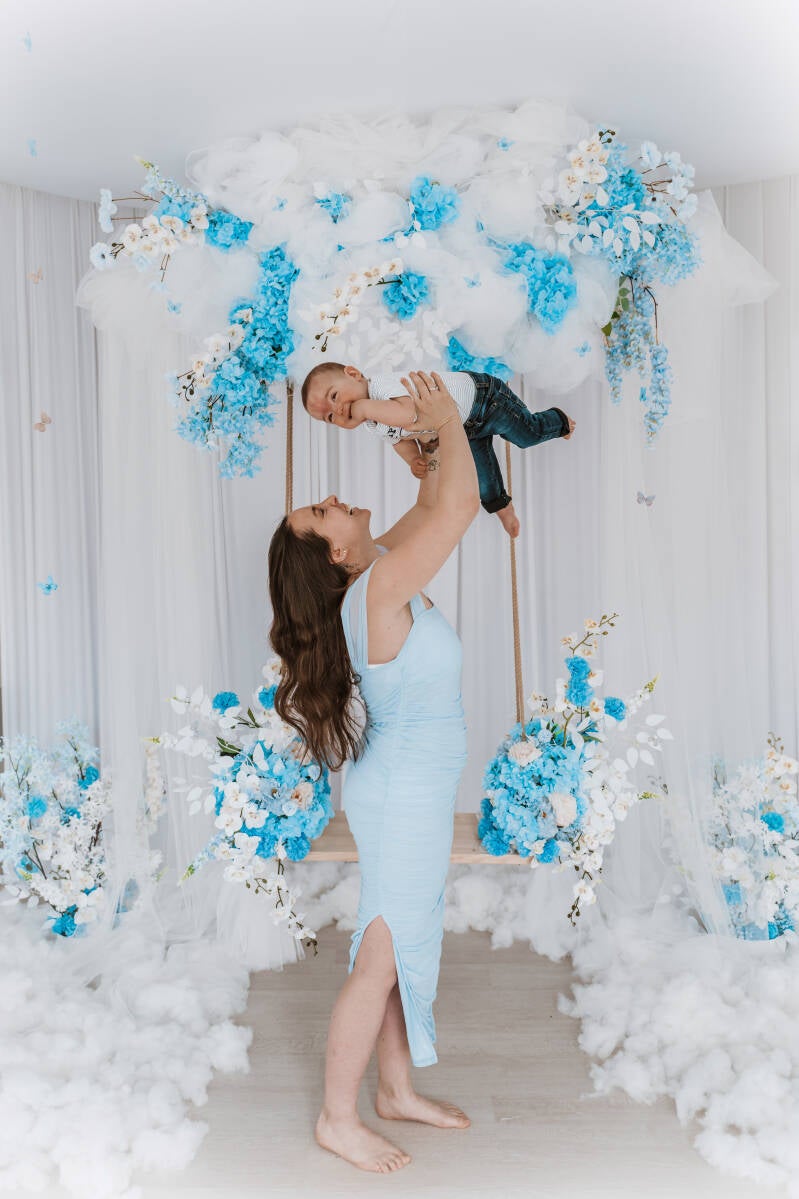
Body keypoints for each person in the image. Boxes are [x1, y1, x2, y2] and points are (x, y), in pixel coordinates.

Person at [268, 371, 478, 1174]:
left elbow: (432, 505)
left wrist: (431, 449)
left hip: (406, 789)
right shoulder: (377, 588)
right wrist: (447, 420)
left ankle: (393, 1091)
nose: (331, 499)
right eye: (319, 512)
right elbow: (458, 510)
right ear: (335, 551)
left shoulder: (378, 567)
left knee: (398, 937)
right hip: (400, 796)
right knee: (381, 953)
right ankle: (336, 1117)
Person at [301, 360, 575, 538]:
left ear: (353, 374)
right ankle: (502, 507)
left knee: (527, 436)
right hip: (462, 427)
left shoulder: (381, 388)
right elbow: (399, 439)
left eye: (334, 396)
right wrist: (413, 460)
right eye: (330, 417)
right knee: (483, 478)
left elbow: (408, 414)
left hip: (484, 400)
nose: (338, 410)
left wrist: (362, 408)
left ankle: (558, 421)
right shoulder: (373, 423)